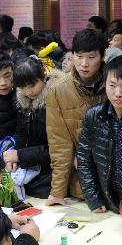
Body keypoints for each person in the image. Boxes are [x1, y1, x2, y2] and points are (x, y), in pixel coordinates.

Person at [76, 56, 122, 213]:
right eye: (112, 85)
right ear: (105, 84)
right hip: (108, 204)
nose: (118, 93)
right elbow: (84, 159)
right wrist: (93, 199)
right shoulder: (94, 116)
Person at [45, 29, 107, 206]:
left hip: (116, 181)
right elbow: (59, 143)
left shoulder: (114, 85)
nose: (84, 64)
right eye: (78, 57)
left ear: (102, 56)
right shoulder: (58, 90)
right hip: (81, 182)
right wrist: (57, 191)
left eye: (91, 57)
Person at [3, 57, 56, 199]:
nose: (29, 92)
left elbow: (58, 148)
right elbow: (21, 134)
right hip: (33, 165)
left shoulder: (55, 101)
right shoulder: (24, 102)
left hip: (52, 170)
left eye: (32, 85)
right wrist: (13, 158)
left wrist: (20, 156)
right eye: (23, 87)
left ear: (44, 78)